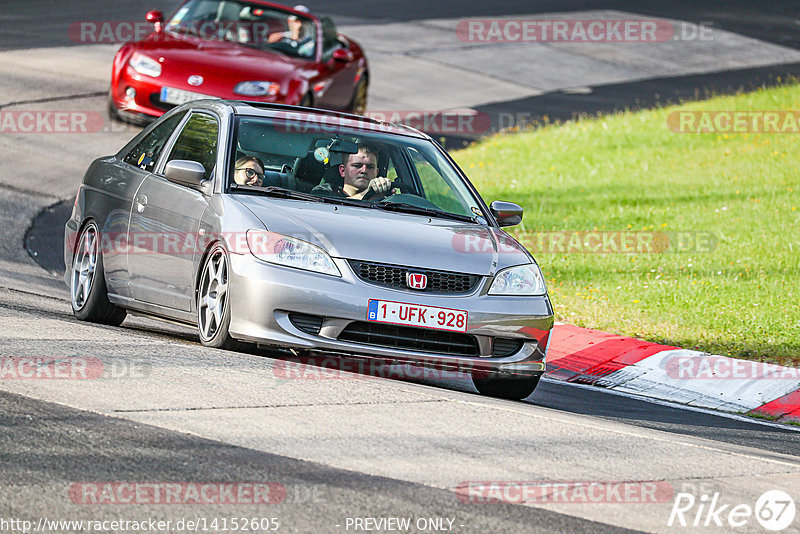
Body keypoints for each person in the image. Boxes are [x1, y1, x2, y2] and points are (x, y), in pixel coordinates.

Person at [313, 145, 395, 200]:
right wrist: (368, 194)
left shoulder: (384, 200)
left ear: (376, 172)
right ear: (342, 170)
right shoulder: (324, 192)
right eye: (357, 165)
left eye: (370, 167)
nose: (364, 170)